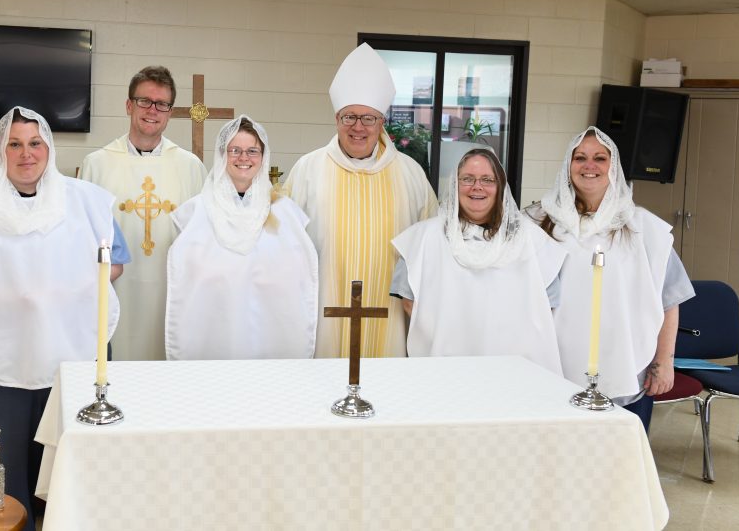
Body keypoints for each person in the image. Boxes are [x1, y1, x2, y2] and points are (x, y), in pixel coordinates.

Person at [0, 107, 129, 531]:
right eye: (13, 144)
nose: (26, 153)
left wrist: (54, 289)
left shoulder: (85, 199)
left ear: (49, 148)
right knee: (4, 464)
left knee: (68, 460)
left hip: (70, 348)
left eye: (35, 143)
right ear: (0, 151)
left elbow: (115, 263)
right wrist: (7, 293)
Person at [527, 126, 694, 431]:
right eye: (580, 158)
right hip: (553, 366)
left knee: (620, 465)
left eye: (599, 158)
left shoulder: (644, 228)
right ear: (568, 166)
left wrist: (664, 361)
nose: (589, 166)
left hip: (628, 366)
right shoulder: (538, 223)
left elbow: (669, 299)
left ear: (613, 167)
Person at [285, 43, 438, 358]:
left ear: (382, 121)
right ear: (336, 119)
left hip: (391, 315)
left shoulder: (411, 175)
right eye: (349, 117)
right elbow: (284, 245)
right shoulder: (307, 170)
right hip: (321, 313)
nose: (358, 127)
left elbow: (431, 248)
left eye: (368, 118)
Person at [390, 148, 564, 374]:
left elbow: (548, 303)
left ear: (500, 187)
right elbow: (408, 301)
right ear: (454, 184)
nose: (477, 187)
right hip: (445, 365)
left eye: (487, 180)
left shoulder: (531, 240)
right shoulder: (423, 237)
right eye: (467, 179)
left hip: (512, 367)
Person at [165, 116, 318, 360]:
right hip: (214, 330)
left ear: (264, 157)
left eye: (252, 151)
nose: (243, 158)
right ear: (221, 155)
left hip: (268, 331)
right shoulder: (194, 212)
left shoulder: (287, 213)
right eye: (234, 150)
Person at [81, 66, 206, 360]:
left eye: (162, 104)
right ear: (128, 105)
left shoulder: (191, 167)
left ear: (169, 112)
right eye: (144, 101)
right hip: (115, 290)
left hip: (170, 293)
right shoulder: (97, 164)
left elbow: (203, 240)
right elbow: (83, 238)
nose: (153, 110)